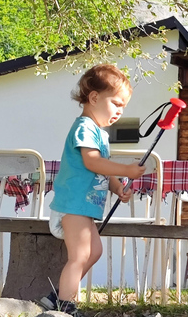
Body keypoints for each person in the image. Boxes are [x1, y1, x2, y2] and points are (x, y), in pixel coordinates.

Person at [38, 64, 146, 316]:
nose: (120, 111)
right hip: (73, 203)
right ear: (95, 97)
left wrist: (118, 185)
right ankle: (66, 305)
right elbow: (92, 162)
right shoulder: (84, 127)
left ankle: (55, 298)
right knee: (80, 255)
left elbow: (101, 171)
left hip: (85, 207)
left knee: (94, 252)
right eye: (117, 103)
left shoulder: (101, 133)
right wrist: (126, 170)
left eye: (124, 107)